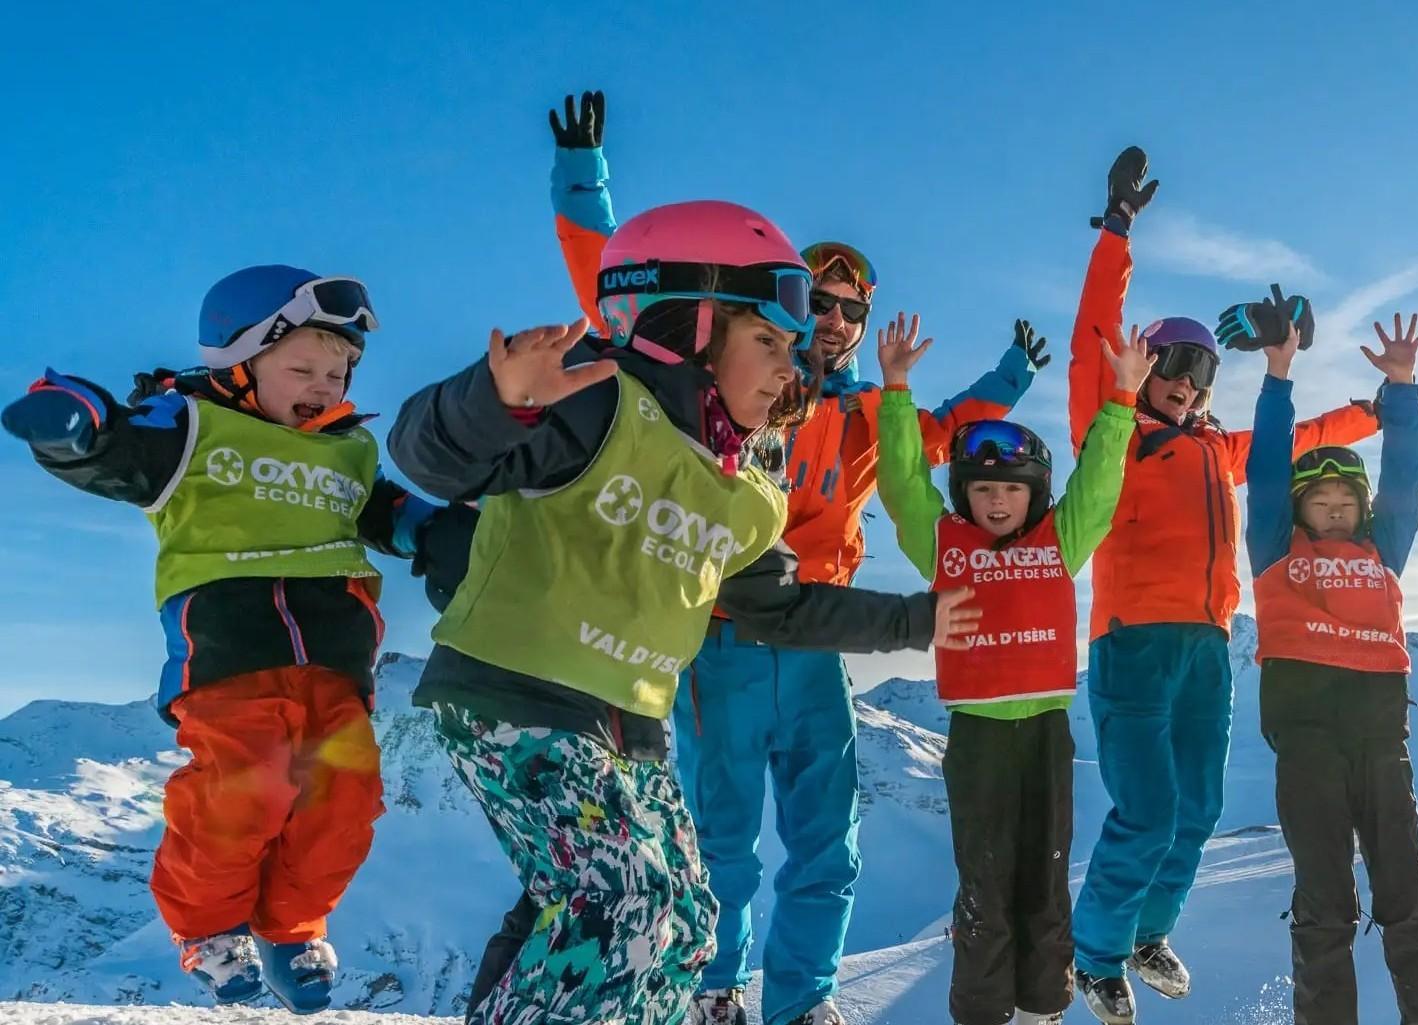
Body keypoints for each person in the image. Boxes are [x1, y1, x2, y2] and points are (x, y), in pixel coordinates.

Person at [385, 200, 982, 1025]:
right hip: (513, 697)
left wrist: (917, 621)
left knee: (688, 924)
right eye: (768, 341)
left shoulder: (744, 492)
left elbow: (780, 608)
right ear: (694, 330)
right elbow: (429, 454)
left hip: (624, 723)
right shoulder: (598, 403)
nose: (792, 363)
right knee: (620, 903)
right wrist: (496, 401)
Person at [545, 92, 1039, 1025]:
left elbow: (946, 430)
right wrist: (583, 180)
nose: (837, 320)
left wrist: (1013, 378)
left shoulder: (859, 416)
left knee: (827, 842)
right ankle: (713, 990)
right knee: (722, 840)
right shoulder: (739, 386)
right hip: (723, 635)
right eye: (821, 302)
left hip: (819, 641)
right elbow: (622, 294)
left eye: (852, 308)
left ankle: (805, 1000)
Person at [1, 266, 455, 1014]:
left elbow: (390, 513)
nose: (324, 382)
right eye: (302, 366)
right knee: (242, 791)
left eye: (338, 369)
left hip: (338, 666)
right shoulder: (190, 429)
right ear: (238, 363)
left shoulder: (349, 451)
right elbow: (113, 445)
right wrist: (73, 421)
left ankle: (292, 928)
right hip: (231, 657)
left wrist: (442, 533)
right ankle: (210, 928)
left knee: (345, 801)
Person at [1062, 147, 1382, 1025]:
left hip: (1208, 645)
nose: (1190, 384)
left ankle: (1145, 931)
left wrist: (1377, 411)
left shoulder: (1214, 448)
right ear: (1146, 363)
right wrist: (1118, 230)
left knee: (1197, 807)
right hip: (1131, 642)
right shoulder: (1115, 428)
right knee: (1149, 807)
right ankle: (1090, 954)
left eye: (1205, 374)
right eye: (1175, 365)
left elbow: (1296, 436)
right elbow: (1096, 321)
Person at [874, 315, 1152, 1025]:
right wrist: (898, 392)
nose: (997, 501)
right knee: (984, 887)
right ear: (965, 494)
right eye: (983, 490)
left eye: (1012, 490)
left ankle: (1043, 1010)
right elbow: (905, 486)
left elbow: (1098, 482)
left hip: (1046, 735)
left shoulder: (1063, 538)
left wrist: (1123, 399)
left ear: (1035, 493)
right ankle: (984, 1012)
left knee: (1046, 879)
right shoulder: (944, 545)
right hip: (978, 740)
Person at [1245, 314, 1418, 1024]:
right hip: (1307, 743)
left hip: (1380, 741)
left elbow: (1409, 477)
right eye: (1322, 501)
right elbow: (1265, 469)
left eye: (1347, 501)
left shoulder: (1383, 552)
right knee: (1325, 901)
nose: (1336, 510)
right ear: (1300, 509)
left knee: (1406, 892)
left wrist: (1401, 390)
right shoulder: (1277, 552)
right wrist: (1278, 376)